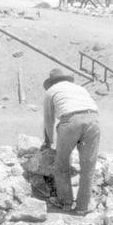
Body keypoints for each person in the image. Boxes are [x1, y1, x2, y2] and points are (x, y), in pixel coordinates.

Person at [42, 68, 100, 215]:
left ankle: (66, 203)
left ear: (52, 82)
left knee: (61, 164)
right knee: (88, 166)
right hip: (93, 120)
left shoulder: (52, 91)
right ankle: (82, 207)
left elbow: (48, 120)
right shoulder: (80, 88)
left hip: (71, 122)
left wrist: (48, 141)